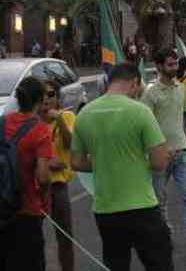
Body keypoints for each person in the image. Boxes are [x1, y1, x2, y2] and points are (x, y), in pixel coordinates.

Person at [71, 63, 173, 270]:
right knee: (160, 264)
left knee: (116, 264)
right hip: (142, 206)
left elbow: (77, 162)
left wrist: (103, 161)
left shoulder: (84, 114)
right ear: (134, 82)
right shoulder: (140, 111)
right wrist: (142, 159)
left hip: (106, 209)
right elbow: (159, 162)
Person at [142, 49, 186, 253]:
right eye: (170, 64)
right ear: (158, 66)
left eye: (175, 64)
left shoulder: (181, 88)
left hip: (182, 153)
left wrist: (185, 139)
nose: (175, 68)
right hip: (160, 156)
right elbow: (145, 126)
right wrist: (159, 150)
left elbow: (181, 117)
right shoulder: (150, 93)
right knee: (159, 200)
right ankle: (163, 236)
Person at [0, 77, 52, 270]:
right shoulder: (40, 130)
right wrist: (45, 198)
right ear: (39, 101)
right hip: (27, 209)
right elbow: (43, 177)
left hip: (2, 209)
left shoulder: (2, 122)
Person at [40, 80, 76, 271]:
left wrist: (59, 120)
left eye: (51, 94)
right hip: (36, 186)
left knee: (65, 235)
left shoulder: (67, 116)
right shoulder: (33, 121)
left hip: (58, 185)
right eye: (43, 94)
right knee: (33, 235)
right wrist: (46, 162)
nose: (47, 98)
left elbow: (71, 145)